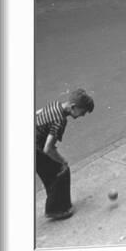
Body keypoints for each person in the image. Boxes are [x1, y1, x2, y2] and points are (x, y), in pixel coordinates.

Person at [35, 89, 94, 220]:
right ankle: (58, 210)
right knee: (62, 171)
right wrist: (63, 161)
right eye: (82, 112)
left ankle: (56, 206)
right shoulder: (60, 120)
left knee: (51, 174)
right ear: (73, 107)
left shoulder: (55, 105)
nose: (82, 116)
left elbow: (37, 113)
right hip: (36, 149)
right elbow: (48, 149)